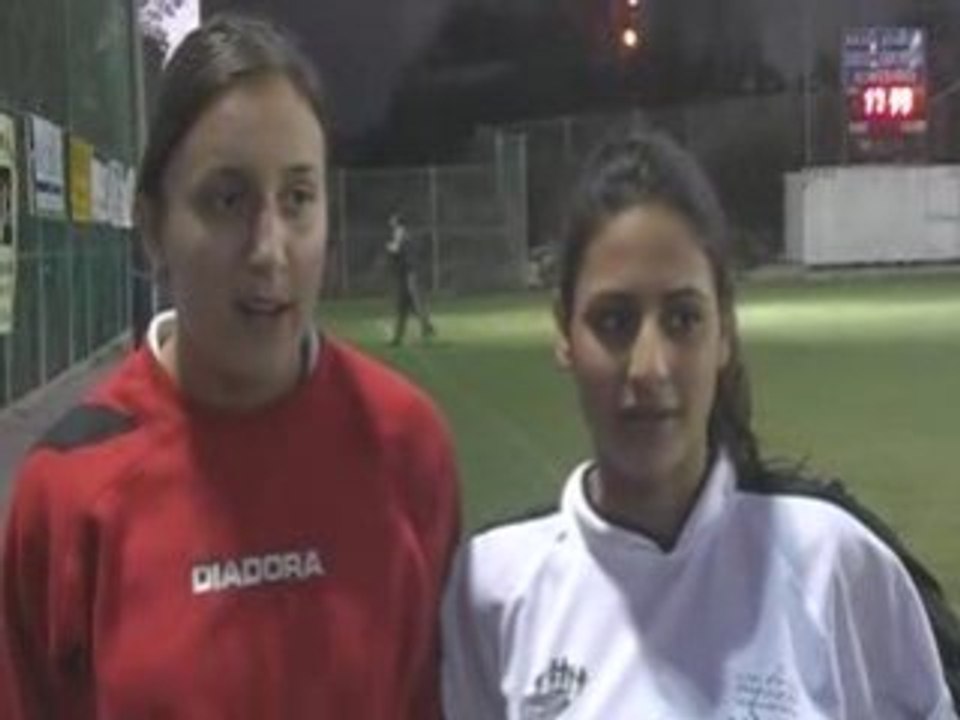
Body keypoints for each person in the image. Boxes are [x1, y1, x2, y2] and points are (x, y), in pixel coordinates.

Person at [1, 14, 460, 719]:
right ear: (153, 227)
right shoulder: (66, 488)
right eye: (228, 199)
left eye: (298, 199)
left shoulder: (407, 444)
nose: (269, 249)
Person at [441, 130, 960, 718]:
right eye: (614, 321)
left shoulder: (832, 562)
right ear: (564, 333)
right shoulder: (494, 588)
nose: (649, 367)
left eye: (683, 319)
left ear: (725, 333)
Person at [386, 212, 435, 345]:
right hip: (407, 273)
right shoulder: (404, 233)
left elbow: (396, 249)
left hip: (409, 273)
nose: (390, 222)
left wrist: (389, 247)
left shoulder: (400, 232)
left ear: (397, 222)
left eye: (392, 220)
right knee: (407, 305)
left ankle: (422, 327)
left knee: (411, 303)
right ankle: (423, 327)